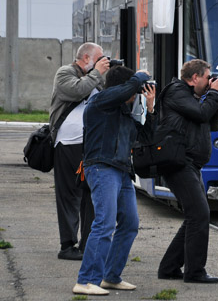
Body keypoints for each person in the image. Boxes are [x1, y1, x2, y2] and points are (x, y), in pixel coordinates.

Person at [74, 63, 156, 297]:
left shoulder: (123, 110)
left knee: (129, 223)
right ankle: (86, 280)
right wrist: (138, 78)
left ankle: (110, 276)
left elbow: (146, 137)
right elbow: (120, 92)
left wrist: (150, 109)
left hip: (121, 171)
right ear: (123, 87)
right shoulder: (99, 102)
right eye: (133, 89)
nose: (135, 94)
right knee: (105, 223)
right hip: (101, 167)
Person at [156, 59, 218, 284]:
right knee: (199, 215)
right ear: (195, 77)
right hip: (178, 163)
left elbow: (213, 122)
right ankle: (195, 272)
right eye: (208, 77)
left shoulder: (196, 97)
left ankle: (169, 268)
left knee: (195, 216)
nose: (210, 82)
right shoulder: (176, 92)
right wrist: (214, 94)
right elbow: (199, 114)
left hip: (190, 164)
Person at [49, 43, 110, 260]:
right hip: (66, 145)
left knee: (92, 195)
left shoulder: (97, 77)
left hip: (92, 145)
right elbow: (76, 90)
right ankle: (67, 246)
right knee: (68, 195)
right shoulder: (65, 72)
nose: (104, 62)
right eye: (100, 58)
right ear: (86, 57)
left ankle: (87, 245)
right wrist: (97, 74)